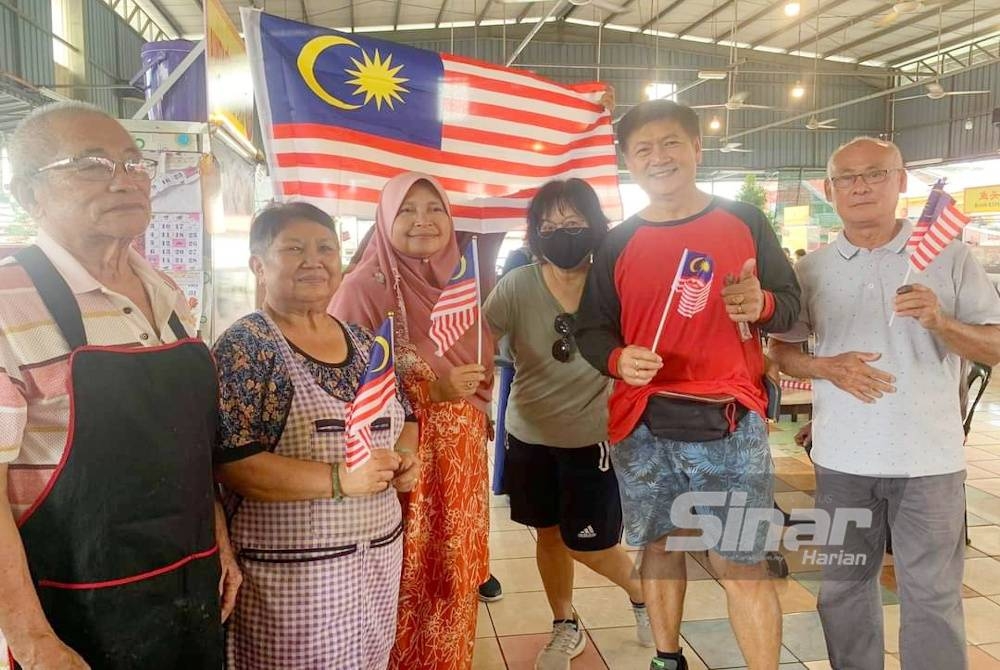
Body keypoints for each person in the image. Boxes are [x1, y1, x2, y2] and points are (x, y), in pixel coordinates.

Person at [0, 102, 240, 669]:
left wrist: (217, 540)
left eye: (133, 163)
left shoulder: (165, 289)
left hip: (191, 586)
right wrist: (34, 643)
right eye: (90, 164)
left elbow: (184, 444)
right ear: (28, 196)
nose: (124, 179)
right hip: (74, 614)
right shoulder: (9, 303)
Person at [575, 100, 800, 670]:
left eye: (671, 143)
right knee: (657, 545)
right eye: (643, 149)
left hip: (729, 421)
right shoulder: (617, 240)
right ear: (628, 162)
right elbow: (591, 328)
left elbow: (792, 305)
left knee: (741, 560)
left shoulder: (745, 221)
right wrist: (618, 358)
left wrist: (763, 303)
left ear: (698, 148)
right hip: (641, 424)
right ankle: (665, 656)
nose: (659, 157)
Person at [768, 137, 1000, 670]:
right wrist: (825, 367)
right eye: (847, 178)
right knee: (843, 593)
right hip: (842, 462)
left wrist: (941, 322)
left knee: (933, 600)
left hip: (931, 464)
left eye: (875, 173)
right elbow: (779, 353)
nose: (861, 186)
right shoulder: (813, 271)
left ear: (901, 179)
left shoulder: (949, 257)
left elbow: (992, 345)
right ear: (829, 191)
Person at [213, 201, 419, 669]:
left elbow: (405, 416)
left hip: (374, 568)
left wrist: (407, 457)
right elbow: (232, 463)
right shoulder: (248, 346)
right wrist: (341, 479)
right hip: (293, 581)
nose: (314, 260)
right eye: (293, 248)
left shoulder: (367, 342)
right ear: (257, 265)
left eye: (326, 247)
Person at [483, 179, 651, 670]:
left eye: (574, 225)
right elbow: (474, 339)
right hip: (529, 436)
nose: (562, 235)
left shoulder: (616, 283)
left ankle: (641, 591)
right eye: (549, 226)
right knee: (549, 534)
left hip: (591, 439)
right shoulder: (517, 285)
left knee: (590, 542)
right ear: (534, 233)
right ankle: (564, 623)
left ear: (595, 227)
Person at [329, 172, 493, 670]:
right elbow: (344, 388)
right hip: (402, 464)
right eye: (407, 210)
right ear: (384, 219)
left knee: (454, 577)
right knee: (405, 576)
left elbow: (482, 373)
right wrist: (431, 391)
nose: (423, 221)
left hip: (461, 463)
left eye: (435, 209)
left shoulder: (462, 282)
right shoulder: (364, 286)